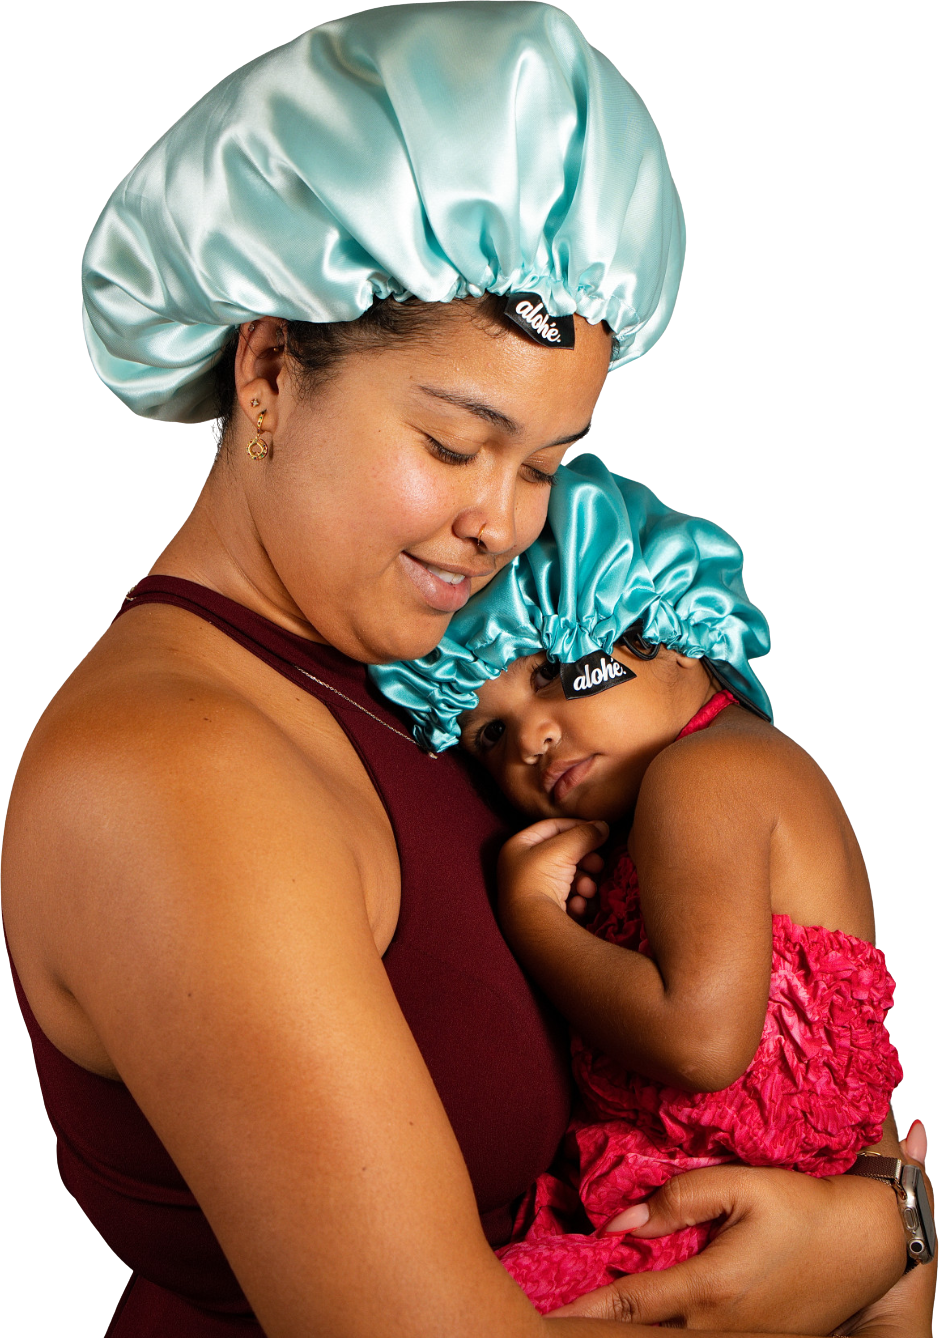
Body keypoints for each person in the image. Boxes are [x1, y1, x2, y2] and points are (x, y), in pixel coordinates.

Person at [2, 6, 932, 1335]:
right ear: (267, 372)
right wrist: (863, 1250)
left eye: (544, 464)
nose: (499, 523)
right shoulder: (172, 772)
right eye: (451, 445)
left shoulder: (434, 683)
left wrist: (875, 1216)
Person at [370, 455, 922, 1314]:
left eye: (549, 673)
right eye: (489, 737)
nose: (531, 740)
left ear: (661, 629)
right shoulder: (709, 782)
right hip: (761, 1225)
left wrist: (533, 920)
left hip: (719, 1234)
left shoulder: (704, 777)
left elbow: (699, 1042)